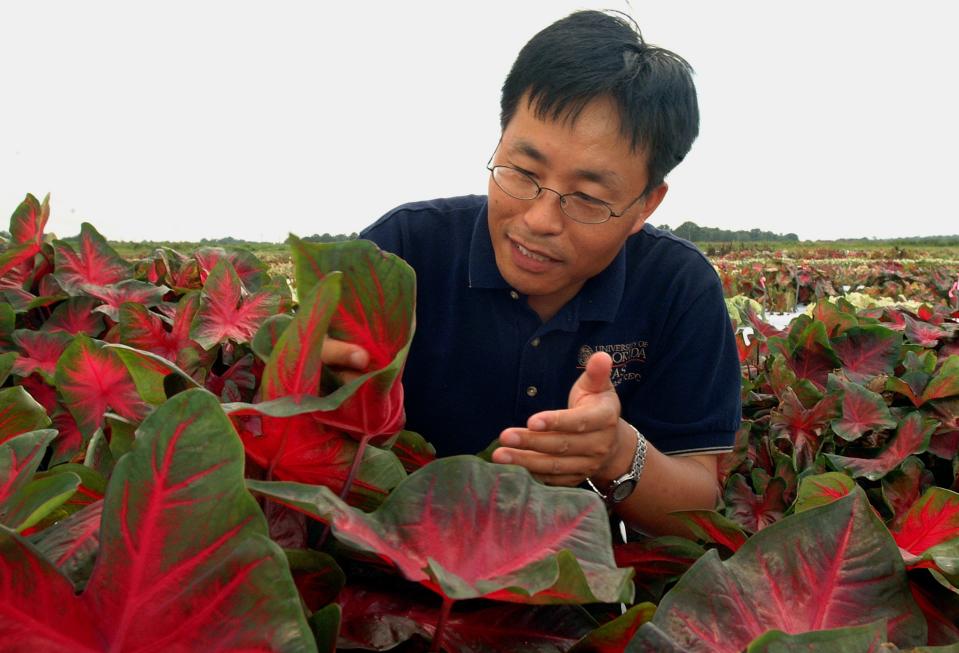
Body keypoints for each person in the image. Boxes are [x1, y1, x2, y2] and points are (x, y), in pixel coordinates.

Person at [323, 10, 741, 537]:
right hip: (397, 564)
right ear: (499, 140)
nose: (538, 221)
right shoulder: (400, 250)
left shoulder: (680, 288)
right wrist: (323, 385)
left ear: (645, 204)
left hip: (576, 594)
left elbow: (698, 511)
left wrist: (616, 453)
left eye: (588, 198)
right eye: (522, 172)